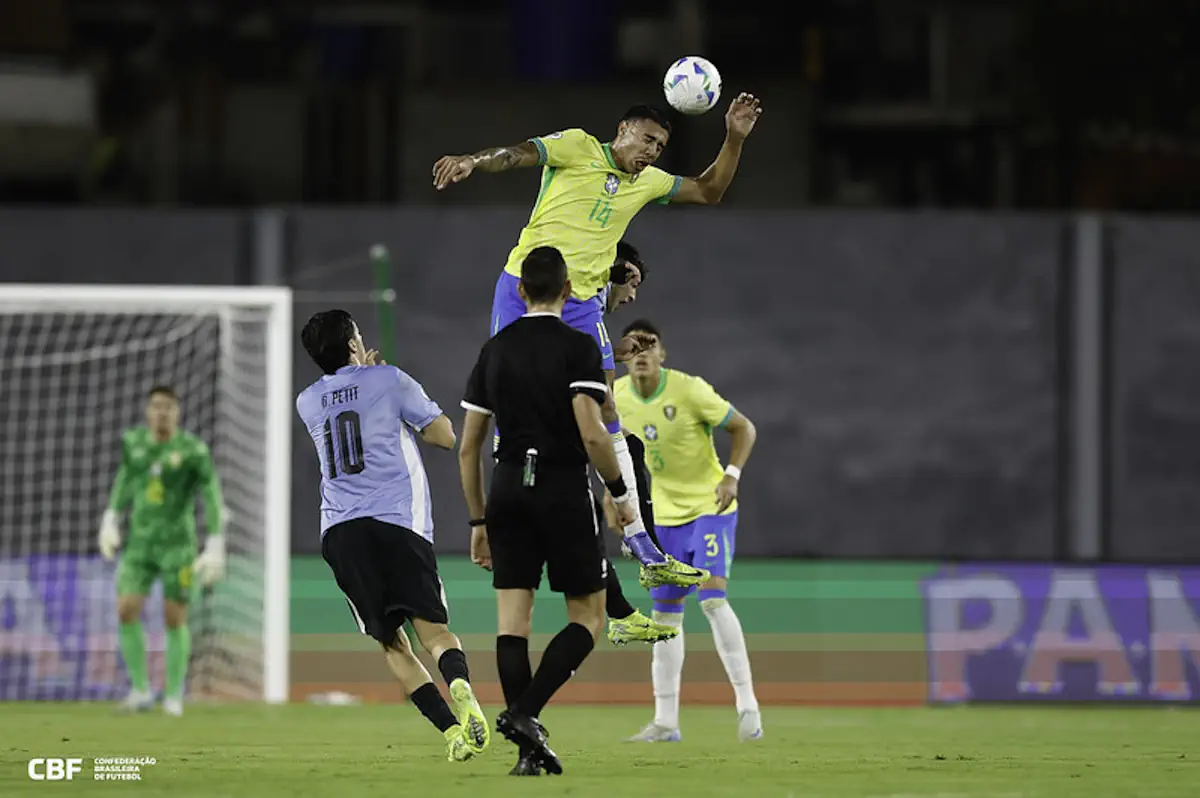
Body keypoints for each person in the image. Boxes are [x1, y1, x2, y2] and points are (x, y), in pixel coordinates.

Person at [433, 95, 763, 588]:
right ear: (624, 128)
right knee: (507, 397)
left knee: (608, 409)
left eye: (661, 145)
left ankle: (641, 542)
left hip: (583, 301)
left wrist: (733, 138)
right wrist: (472, 162)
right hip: (522, 287)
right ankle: (504, 520)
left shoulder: (649, 182)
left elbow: (710, 190)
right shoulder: (577, 146)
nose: (653, 151)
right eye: (647, 138)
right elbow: (518, 153)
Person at [458, 246, 639, 776]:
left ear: (520, 292)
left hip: (508, 489)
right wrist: (619, 492)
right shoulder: (579, 347)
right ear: (567, 290)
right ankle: (524, 714)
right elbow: (591, 430)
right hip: (560, 487)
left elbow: (470, 447)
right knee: (588, 617)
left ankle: (526, 755)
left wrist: (477, 522)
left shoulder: (494, 350)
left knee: (513, 624)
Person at [295, 310, 489, 763]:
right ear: (351, 345)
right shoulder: (388, 379)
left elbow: (346, 407)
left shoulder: (306, 401)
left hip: (341, 531)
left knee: (391, 643)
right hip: (397, 522)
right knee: (436, 634)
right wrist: (385, 386)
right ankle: (460, 686)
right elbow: (443, 436)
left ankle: (450, 734)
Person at [612, 319, 763, 743]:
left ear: (663, 354)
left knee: (713, 599)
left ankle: (748, 707)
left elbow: (744, 427)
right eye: (634, 346)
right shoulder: (616, 399)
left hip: (708, 507)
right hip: (660, 517)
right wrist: (614, 499)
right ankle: (665, 722)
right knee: (664, 616)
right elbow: (609, 452)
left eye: (651, 345)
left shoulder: (690, 390)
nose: (642, 352)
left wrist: (731, 475)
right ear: (623, 357)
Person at [98, 385, 227, 717]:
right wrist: (111, 516)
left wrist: (214, 541)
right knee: (126, 609)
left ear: (177, 412)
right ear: (147, 411)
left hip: (177, 547)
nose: (161, 412)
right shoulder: (134, 444)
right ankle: (140, 690)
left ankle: (172, 696)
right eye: (156, 406)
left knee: (175, 618)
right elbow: (126, 478)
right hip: (140, 544)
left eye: (168, 407)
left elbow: (210, 492)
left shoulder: (192, 451)